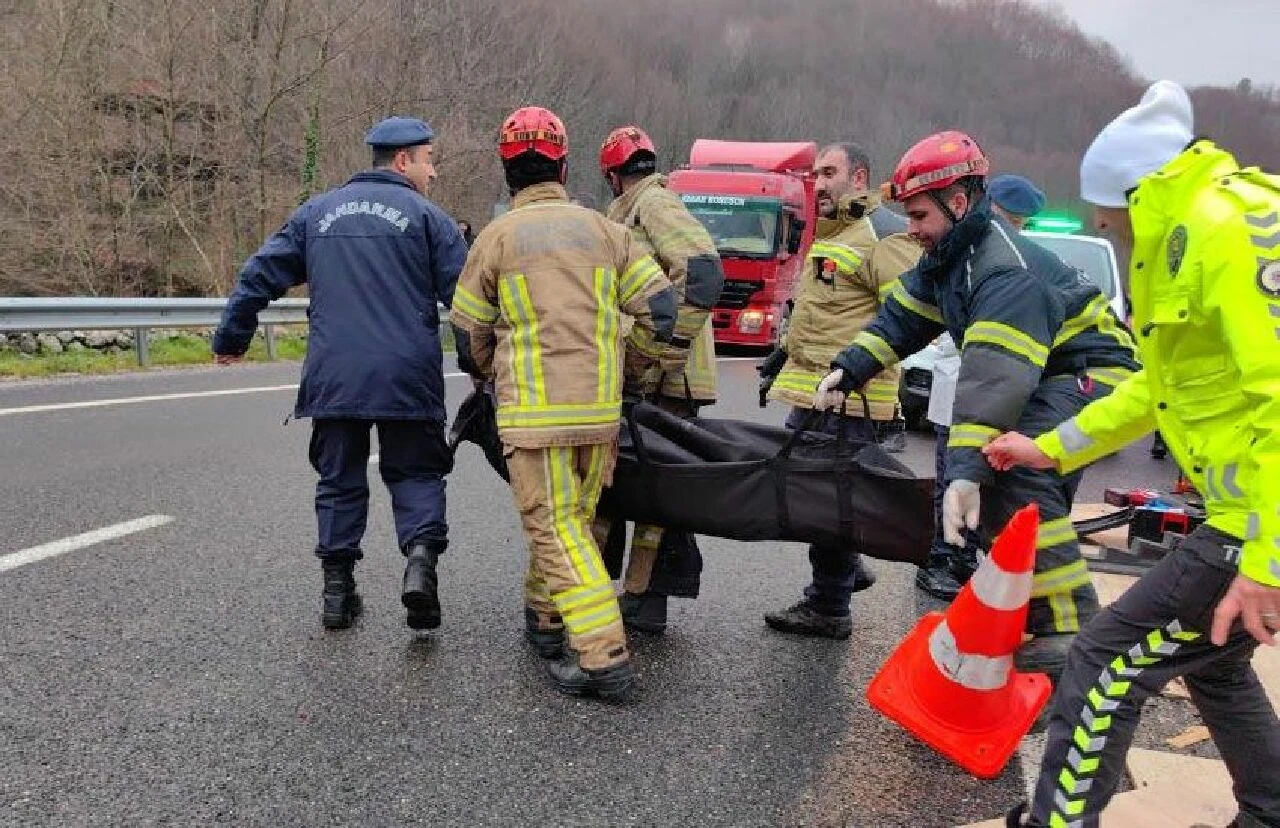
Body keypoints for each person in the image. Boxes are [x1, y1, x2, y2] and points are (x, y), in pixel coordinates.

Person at [985, 80, 1280, 828]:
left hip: (1257, 520)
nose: (1105, 229)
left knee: (1102, 659)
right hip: (1249, 510)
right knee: (1215, 660)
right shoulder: (1204, 223)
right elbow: (1159, 388)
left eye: (1108, 219)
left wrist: (1267, 560)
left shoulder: (1217, 233)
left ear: (1136, 194)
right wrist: (1047, 449)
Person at [814, 130, 1140, 677]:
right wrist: (850, 367)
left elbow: (994, 386)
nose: (911, 229)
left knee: (1013, 471)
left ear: (958, 203)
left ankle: (1069, 633)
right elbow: (904, 316)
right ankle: (1045, 624)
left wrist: (964, 471)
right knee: (1014, 488)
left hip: (1093, 375)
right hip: (1048, 377)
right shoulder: (949, 255)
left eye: (918, 216)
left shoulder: (1000, 270)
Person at [449, 106, 678, 700]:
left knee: (552, 529)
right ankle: (545, 620)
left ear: (506, 169)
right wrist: (636, 365)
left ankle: (603, 655)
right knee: (572, 522)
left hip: (534, 414)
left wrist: (484, 370)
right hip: (598, 416)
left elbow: (467, 333)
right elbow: (662, 311)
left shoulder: (497, 238)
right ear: (564, 164)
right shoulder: (606, 231)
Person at [212, 116, 467, 632]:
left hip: (335, 377)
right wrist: (478, 365)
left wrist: (232, 338)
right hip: (406, 376)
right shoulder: (428, 219)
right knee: (416, 472)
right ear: (403, 161)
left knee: (339, 481)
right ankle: (419, 565)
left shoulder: (316, 214)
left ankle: (337, 594)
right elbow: (467, 303)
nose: (432, 172)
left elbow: (258, 273)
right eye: (428, 159)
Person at [757, 141, 921, 639]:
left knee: (825, 503)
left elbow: (908, 320)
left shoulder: (882, 236)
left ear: (860, 178)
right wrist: (783, 352)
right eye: (816, 173)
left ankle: (829, 605)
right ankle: (846, 569)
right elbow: (822, 311)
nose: (819, 182)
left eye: (830, 172)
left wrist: (856, 370)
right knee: (816, 499)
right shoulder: (838, 233)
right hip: (814, 396)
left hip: (851, 402)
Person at [596, 125, 726, 635]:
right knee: (646, 489)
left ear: (613, 175)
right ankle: (636, 596)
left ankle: (642, 598)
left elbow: (702, 272)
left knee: (650, 491)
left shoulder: (653, 204)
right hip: (653, 375)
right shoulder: (636, 210)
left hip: (666, 381)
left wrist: (664, 351)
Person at [918, 173, 1046, 600]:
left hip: (986, 400)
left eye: (1022, 223)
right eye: (1013, 219)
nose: (1017, 229)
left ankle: (963, 555)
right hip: (958, 394)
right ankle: (943, 557)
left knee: (973, 481)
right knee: (951, 480)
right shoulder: (960, 256)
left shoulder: (1008, 262)